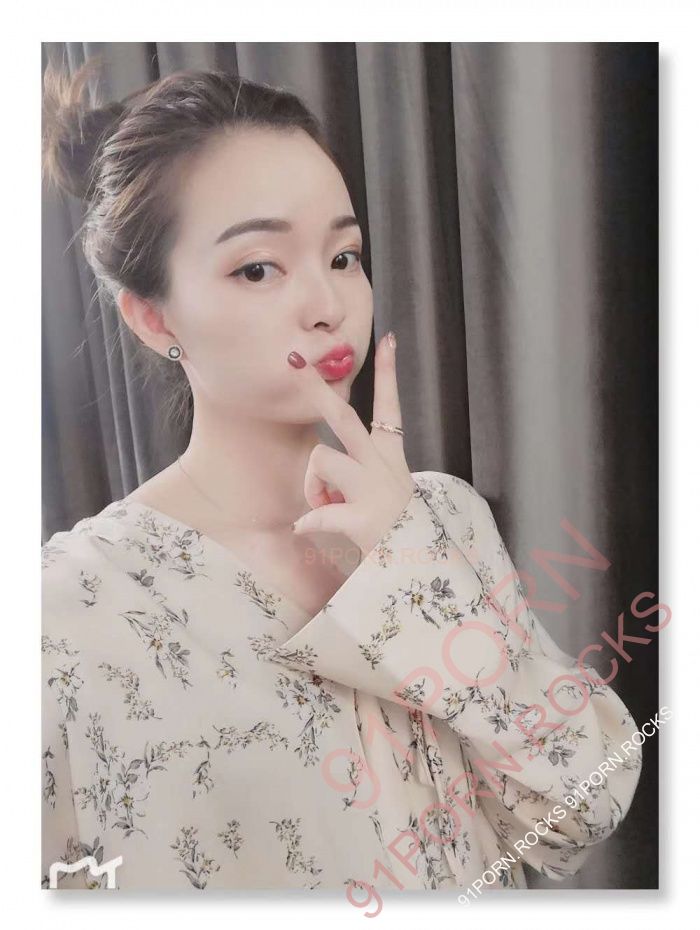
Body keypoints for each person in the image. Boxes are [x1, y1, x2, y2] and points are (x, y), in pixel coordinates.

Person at [41, 59, 642, 896]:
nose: (328, 304)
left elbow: (584, 810)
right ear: (151, 315)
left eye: (344, 255)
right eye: (259, 268)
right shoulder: (67, 615)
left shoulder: (442, 520)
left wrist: (412, 572)